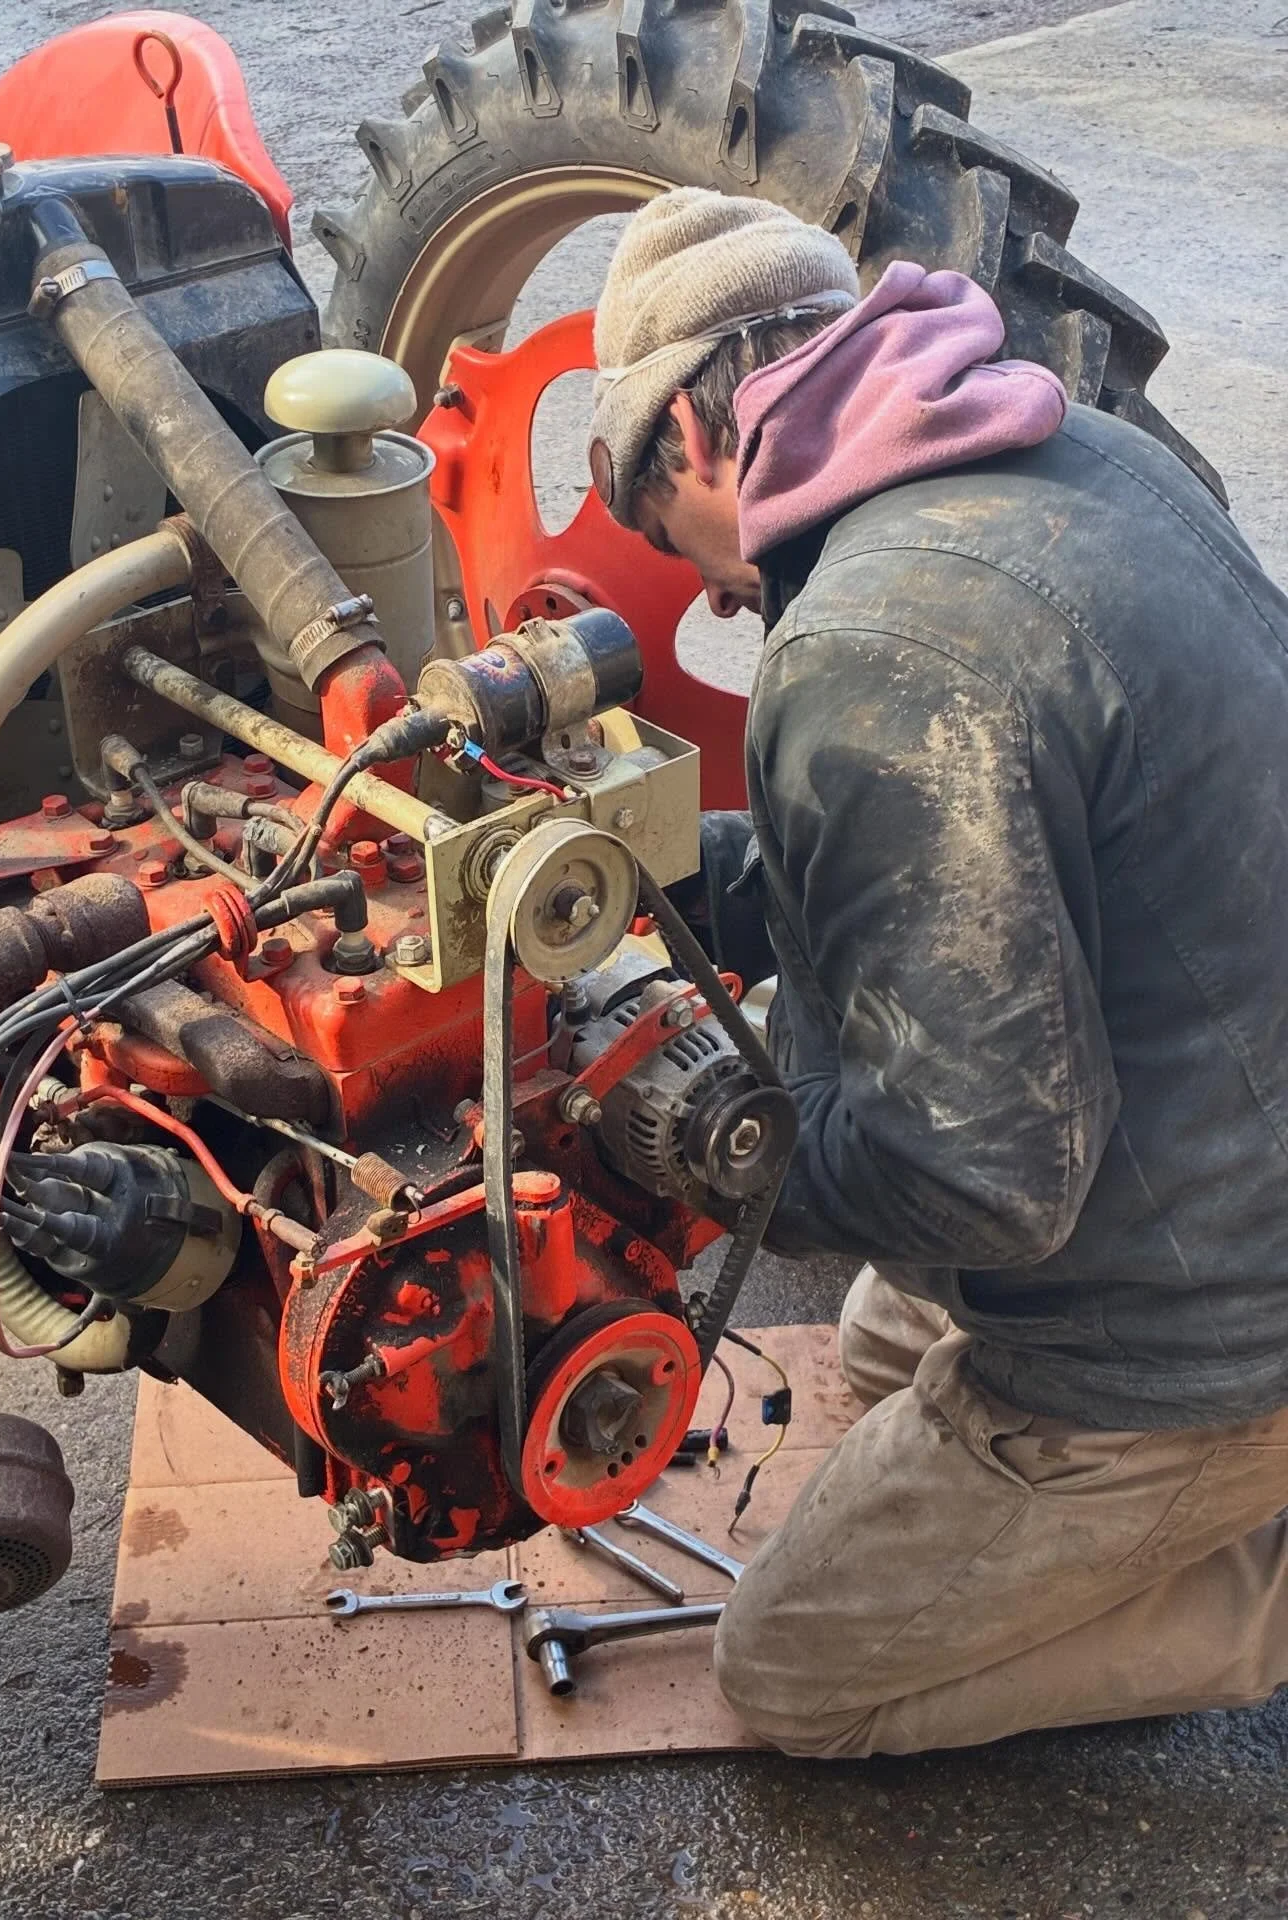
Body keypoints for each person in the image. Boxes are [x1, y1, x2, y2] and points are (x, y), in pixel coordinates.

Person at [587, 186, 1288, 1757]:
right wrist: (659, 877)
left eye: (655, 524)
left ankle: (1250, 1558)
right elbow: (971, 857)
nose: (703, 588)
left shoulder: (879, 652)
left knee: (795, 1680)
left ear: (692, 436)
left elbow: (981, 1184)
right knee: (877, 1339)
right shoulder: (1077, 450)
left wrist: (685, 1145)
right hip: (1230, 1126)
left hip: (1222, 1315)